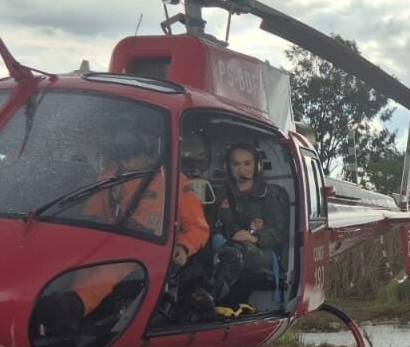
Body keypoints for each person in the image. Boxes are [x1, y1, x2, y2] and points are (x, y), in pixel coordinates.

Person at [72, 131, 209, 316]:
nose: (128, 162)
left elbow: (197, 227)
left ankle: (75, 305)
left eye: (134, 155)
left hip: (149, 251)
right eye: (123, 156)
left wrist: (184, 247)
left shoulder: (174, 181)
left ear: (149, 153)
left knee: (113, 266)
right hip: (106, 244)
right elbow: (91, 216)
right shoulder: (108, 178)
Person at [208, 142, 288, 310]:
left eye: (247, 163)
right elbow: (210, 224)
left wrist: (254, 237)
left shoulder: (270, 194)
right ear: (228, 166)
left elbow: (279, 233)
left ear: (257, 165)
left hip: (261, 249)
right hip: (228, 245)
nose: (241, 169)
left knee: (238, 253)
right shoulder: (220, 194)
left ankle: (217, 301)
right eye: (235, 164)